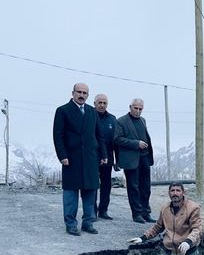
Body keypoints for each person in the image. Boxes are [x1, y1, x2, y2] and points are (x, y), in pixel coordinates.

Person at [53, 83, 107, 236]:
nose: (81, 95)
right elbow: (58, 136)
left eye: (85, 93)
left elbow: (99, 135)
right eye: (79, 92)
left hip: (91, 158)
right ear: (73, 93)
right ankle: (70, 224)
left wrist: (103, 154)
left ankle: (88, 222)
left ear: (88, 95)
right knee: (70, 193)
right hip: (71, 158)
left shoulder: (92, 111)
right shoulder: (63, 111)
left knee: (90, 191)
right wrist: (62, 155)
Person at [115, 98, 155, 223]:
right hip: (131, 160)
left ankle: (146, 212)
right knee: (133, 187)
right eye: (135, 108)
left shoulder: (143, 120)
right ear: (130, 107)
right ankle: (137, 214)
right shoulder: (121, 121)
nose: (138, 111)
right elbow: (117, 139)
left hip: (144, 157)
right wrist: (136, 144)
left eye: (140, 109)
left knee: (146, 187)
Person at [93, 93, 118, 220]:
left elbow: (116, 141)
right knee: (92, 185)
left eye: (104, 103)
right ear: (95, 103)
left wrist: (117, 159)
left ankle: (103, 210)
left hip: (108, 158)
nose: (102, 105)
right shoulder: (89, 116)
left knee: (106, 185)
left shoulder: (112, 119)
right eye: (100, 102)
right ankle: (92, 211)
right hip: (92, 158)